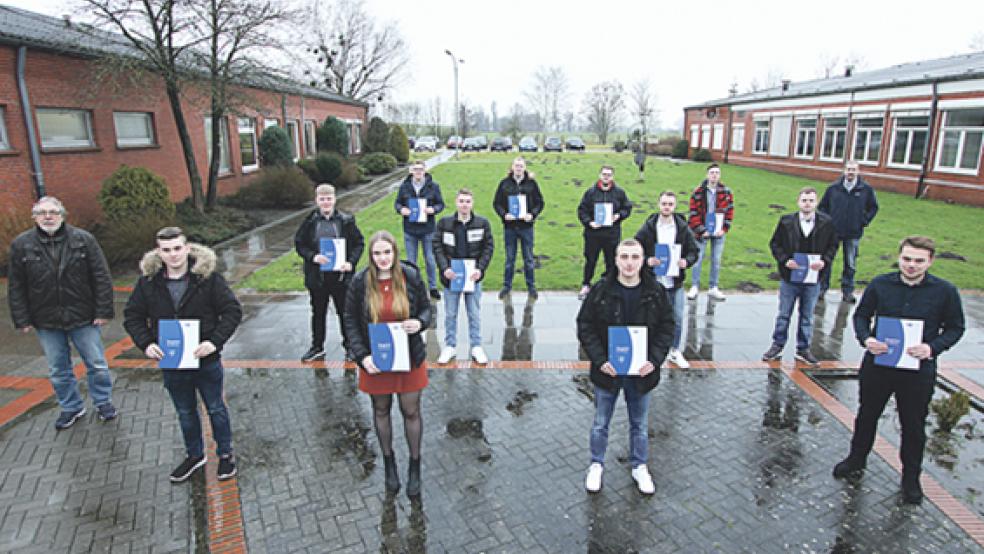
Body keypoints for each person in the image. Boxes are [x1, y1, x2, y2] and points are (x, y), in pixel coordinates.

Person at [832, 236, 965, 505]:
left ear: (930, 261)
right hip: (879, 365)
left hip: (918, 371)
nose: (911, 265)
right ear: (899, 257)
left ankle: (911, 478)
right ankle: (856, 460)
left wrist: (932, 347)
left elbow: (955, 328)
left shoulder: (945, 291)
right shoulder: (881, 284)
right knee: (867, 415)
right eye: (906, 259)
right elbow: (860, 316)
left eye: (918, 261)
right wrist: (867, 339)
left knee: (913, 425)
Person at [123, 227, 243, 482]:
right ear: (159, 253)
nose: (173, 255)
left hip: (205, 360)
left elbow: (232, 311)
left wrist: (214, 342)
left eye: (177, 248)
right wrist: (146, 344)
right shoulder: (148, 283)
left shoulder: (208, 279)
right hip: (173, 361)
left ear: (187, 249)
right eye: (166, 250)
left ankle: (225, 455)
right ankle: (194, 455)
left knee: (215, 409)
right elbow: (133, 317)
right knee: (185, 411)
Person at [7, 196, 117, 429]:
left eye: (53, 212)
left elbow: (101, 276)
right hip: (45, 319)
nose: (48, 217)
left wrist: (104, 310)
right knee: (58, 368)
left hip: (84, 316)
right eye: (42, 213)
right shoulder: (21, 245)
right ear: (34, 217)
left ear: (62, 215)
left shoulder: (83, 240)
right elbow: (16, 285)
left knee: (96, 364)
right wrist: (22, 318)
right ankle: (71, 407)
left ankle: (103, 401)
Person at [576, 239, 675, 495]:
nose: (629, 263)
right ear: (616, 259)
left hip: (641, 373)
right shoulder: (601, 291)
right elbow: (585, 326)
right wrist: (600, 360)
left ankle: (639, 466)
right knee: (600, 422)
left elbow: (667, 328)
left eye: (635, 257)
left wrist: (653, 361)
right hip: (608, 370)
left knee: (639, 424)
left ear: (643, 260)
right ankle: (596, 465)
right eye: (624, 257)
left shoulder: (656, 292)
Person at [344, 231, 433, 497]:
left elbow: (427, 309)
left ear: (394, 252)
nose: (383, 258)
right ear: (371, 256)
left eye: (387, 252)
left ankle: (415, 465)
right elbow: (350, 320)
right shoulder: (360, 282)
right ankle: (389, 463)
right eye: (377, 253)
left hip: (408, 358)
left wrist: (419, 323)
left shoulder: (410, 276)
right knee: (381, 410)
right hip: (376, 359)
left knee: (411, 411)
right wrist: (362, 356)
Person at [761, 187, 838, 366]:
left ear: (816, 202)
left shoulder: (826, 222)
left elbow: (833, 245)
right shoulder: (786, 221)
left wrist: (825, 261)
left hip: (813, 277)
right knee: (784, 314)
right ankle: (777, 345)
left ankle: (803, 348)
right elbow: (775, 244)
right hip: (790, 277)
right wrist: (785, 260)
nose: (807, 204)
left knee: (807, 315)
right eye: (804, 200)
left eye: (811, 200)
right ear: (798, 202)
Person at [295, 184, 365, 362]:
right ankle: (317, 346)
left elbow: (359, 243)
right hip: (318, 278)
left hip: (341, 277)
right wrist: (313, 257)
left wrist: (351, 263)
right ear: (317, 200)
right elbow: (299, 244)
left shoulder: (346, 221)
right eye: (322, 199)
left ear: (334, 199)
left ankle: (349, 346)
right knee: (318, 313)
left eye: (329, 199)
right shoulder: (309, 222)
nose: (326, 202)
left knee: (345, 313)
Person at [634, 191, 699, 368]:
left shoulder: (682, 228)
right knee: (648, 318)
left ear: (675, 206)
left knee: (677, 318)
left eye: (670, 204)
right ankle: (647, 353)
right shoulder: (649, 227)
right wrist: (647, 260)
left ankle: (675, 350)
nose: (667, 207)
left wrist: (686, 261)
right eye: (664, 203)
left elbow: (694, 251)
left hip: (674, 283)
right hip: (653, 282)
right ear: (658, 204)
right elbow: (635, 247)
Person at [433, 189, 494, 365]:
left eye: (468, 201)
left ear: (472, 203)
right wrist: (444, 268)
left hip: (473, 277)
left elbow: (488, 248)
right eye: (461, 201)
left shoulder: (482, 223)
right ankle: (450, 346)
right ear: (456, 202)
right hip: (451, 277)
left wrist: (481, 269)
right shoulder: (444, 223)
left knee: (474, 313)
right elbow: (437, 246)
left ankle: (476, 346)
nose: (464, 204)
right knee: (450, 314)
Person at [818, 160, 879, 304]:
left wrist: (863, 221)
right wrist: (828, 223)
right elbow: (822, 207)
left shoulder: (865, 190)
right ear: (844, 171)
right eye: (848, 169)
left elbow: (873, 207)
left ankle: (847, 291)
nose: (851, 172)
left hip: (853, 232)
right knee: (827, 260)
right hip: (833, 232)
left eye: (853, 170)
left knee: (850, 263)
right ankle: (822, 289)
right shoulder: (833, 188)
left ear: (858, 171)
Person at [576, 165, 633, 300]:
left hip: (611, 234)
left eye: (609, 174)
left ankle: (610, 286)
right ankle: (586, 285)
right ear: (600, 175)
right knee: (590, 260)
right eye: (604, 174)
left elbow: (627, 207)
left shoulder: (619, 193)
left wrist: (619, 215)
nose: (606, 177)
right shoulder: (591, 193)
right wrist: (589, 222)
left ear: (612, 177)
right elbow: (582, 210)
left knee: (611, 261)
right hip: (593, 234)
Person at [492, 157, 544, 299]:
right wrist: (504, 214)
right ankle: (506, 286)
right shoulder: (504, 184)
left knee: (528, 259)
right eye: (516, 166)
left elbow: (540, 203)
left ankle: (531, 286)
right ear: (512, 167)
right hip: (510, 227)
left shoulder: (532, 184)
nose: (519, 168)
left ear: (525, 168)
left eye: (521, 166)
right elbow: (497, 203)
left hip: (526, 227)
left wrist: (532, 214)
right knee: (510, 259)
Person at [394, 160, 445, 300]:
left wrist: (433, 209)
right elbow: (397, 203)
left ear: (425, 171)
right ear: (411, 171)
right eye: (415, 169)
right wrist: (401, 209)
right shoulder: (404, 187)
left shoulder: (433, 186)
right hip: (410, 230)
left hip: (428, 229)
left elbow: (441, 204)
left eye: (420, 169)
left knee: (430, 259)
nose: (418, 172)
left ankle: (433, 287)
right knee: (411, 261)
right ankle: (413, 288)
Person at [687, 163, 734, 301]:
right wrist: (701, 230)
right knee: (698, 258)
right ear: (707, 175)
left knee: (716, 259)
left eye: (717, 173)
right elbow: (693, 212)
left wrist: (724, 229)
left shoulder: (726, 192)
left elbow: (730, 211)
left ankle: (713, 287)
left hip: (719, 231)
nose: (714, 175)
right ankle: (694, 286)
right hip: (702, 231)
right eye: (712, 172)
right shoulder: (698, 192)